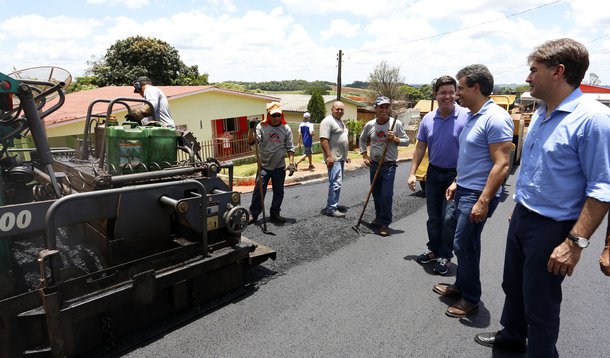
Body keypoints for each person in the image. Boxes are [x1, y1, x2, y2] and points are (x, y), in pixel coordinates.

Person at [474, 38, 610, 357]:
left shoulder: (592, 120)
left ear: (558, 72)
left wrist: (575, 244)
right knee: (514, 287)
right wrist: (520, 204)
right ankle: (512, 335)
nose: (527, 78)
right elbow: (536, 165)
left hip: (553, 228)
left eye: (533, 70)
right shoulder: (541, 111)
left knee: (541, 304)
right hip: (524, 215)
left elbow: (603, 189)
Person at [432, 64, 514, 318]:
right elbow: (472, 157)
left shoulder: (496, 118)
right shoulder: (473, 115)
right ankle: (460, 286)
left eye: (461, 87)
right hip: (464, 187)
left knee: (465, 244)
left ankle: (471, 298)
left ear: (476, 88)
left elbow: (502, 164)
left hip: (478, 193)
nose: (457, 94)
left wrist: (484, 200)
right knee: (458, 239)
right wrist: (457, 180)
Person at [408, 76, 469, 275]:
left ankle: (445, 255)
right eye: (443, 92)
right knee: (433, 217)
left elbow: (472, 151)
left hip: (455, 175)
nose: (447, 96)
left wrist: (459, 179)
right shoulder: (428, 119)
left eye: (451, 92)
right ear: (435, 95)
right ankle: (434, 250)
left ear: (456, 93)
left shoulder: (466, 116)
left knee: (449, 217)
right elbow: (420, 147)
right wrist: (412, 173)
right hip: (433, 174)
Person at [359, 96, 410, 236]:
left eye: (386, 107)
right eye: (381, 107)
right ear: (375, 108)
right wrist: (364, 155)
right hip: (374, 165)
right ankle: (378, 217)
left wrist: (395, 139)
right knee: (376, 194)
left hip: (389, 166)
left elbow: (407, 141)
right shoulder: (370, 125)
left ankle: (385, 224)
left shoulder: (396, 124)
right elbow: (362, 139)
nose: (384, 110)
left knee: (386, 195)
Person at [248, 102, 296, 224]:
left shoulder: (286, 128)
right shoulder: (261, 126)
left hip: (279, 166)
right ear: (269, 115)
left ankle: (275, 213)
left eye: (278, 116)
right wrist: (250, 128)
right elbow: (252, 142)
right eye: (274, 115)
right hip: (263, 165)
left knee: (279, 192)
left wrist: (291, 163)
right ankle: (253, 214)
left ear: (281, 116)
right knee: (259, 191)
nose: (276, 118)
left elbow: (290, 147)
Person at [319, 102, 350, 218]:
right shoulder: (328, 121)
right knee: (335, 183)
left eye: (342, 109)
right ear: (332, 109)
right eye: (337, 109)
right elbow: (323, 139)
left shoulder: (341, 122)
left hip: (340, 158)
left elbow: (341, 139)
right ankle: (331, 209)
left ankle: (333, 204)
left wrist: (346, 155)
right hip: (333, 158)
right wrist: (329, 156)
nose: (340, 111)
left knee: (338, 182)